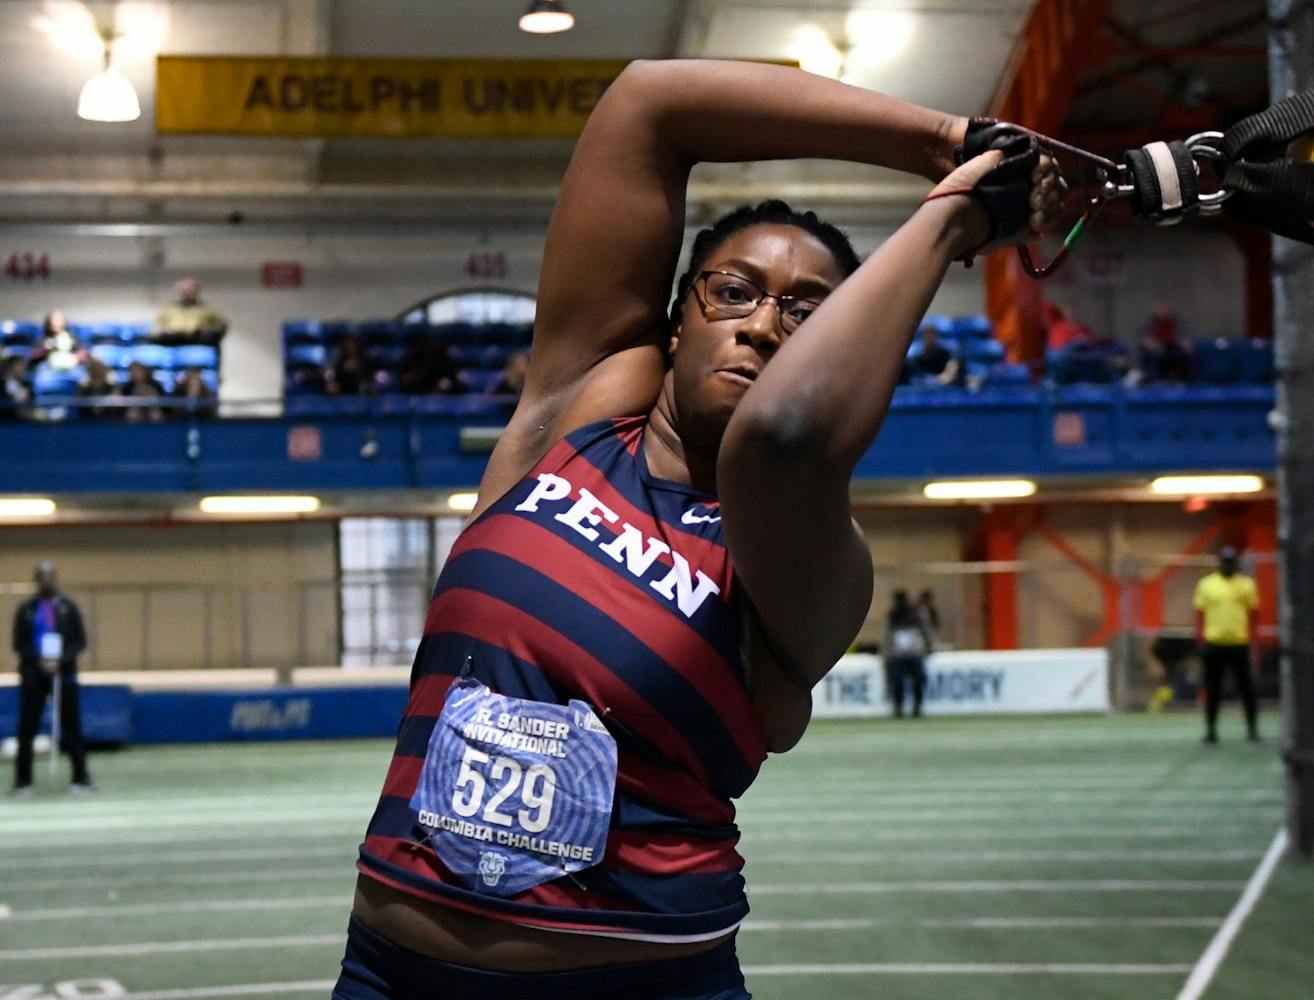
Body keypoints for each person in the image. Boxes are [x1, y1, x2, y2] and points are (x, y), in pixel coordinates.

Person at [335, 58, 1062, 999]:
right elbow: (648, 100)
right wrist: (946, 144)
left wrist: (959, 214)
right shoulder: (576, 412)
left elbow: (785, 438)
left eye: (809, 313)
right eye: (734, 292)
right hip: (392, 974)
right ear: (676, 323)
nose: (764, 325)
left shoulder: (808, 560)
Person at [9, 562, 93, 797]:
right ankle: (22, 781)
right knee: (27, 729)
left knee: (72, 726)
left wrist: (61, 661)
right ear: (35, 580)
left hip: (63, 675)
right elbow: (18, 643)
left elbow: (80, 641)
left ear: (55, 578)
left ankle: (82, 778)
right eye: (41, 577)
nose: (45, 581)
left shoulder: (69, 607)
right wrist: (39, 661)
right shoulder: (26, 609)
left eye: (49, 576)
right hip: (33, 676)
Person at [1194, 546, 1261, 744]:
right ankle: (1211, 730)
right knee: (1212, 689)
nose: (1228, 565)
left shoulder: (1247, 585)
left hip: (1239, 644)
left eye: (1231, 562)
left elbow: (1254, 615)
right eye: (1225, 561)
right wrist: (1201, 641)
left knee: (1247, 688)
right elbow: (1200, 614)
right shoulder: (1207, 584)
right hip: (1214, 644)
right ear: (1219, 562)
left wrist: (1254, 644)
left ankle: (1252, 729)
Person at [883, 590, 932, 718]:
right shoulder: (894, 615)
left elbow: (926, 631)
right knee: (898, 682)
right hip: (901, 654)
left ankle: (916, 706)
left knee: (917, 681)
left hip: (912, 653)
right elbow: (887, 635)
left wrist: (929, 646)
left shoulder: (915, 614)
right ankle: (900, 706)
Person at [153, 278, 227, 345]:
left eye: (191, 290)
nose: (188, 292)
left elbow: (221, 325)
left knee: (210, 336)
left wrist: (210, 330)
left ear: (196, 291)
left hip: (197, 337)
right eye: (186, 290)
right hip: (173, 338)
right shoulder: (171, 307)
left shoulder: (206, 308)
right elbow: (158, 324)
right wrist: (163, 330)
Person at [1137, 300, 1191, 383]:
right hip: (1158, 349)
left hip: (1175, 348)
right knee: (1152, 354)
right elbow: (1143, 337)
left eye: (1165, 309)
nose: (1163, 311)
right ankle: (1156, 381)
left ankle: (1184, 382)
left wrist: (1186, 343)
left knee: (1186, 354)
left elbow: (1184, 336)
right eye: (1160, 309)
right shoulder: (1151, 324)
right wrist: (1149, 344)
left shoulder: (1177, 323)